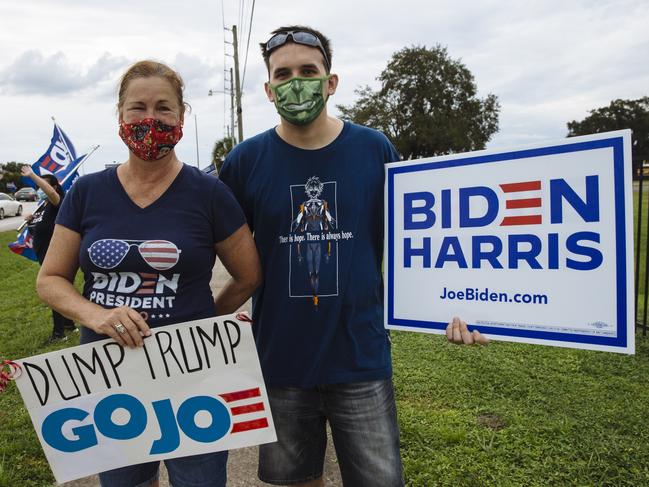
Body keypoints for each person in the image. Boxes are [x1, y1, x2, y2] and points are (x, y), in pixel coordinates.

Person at [219, 26, 488, 487]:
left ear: (331, 81)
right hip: (280, 361)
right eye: (282, 74)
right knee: (293, 481)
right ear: (267, 89)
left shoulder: (374, 149)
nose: (295, 82)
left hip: (360, 358)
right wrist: (221, 311)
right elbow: (224, 248)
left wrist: (459, 305)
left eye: (308, 70)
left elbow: (421, 244)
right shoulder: (245, 162)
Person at [37, 60, 262, 487]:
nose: (150, 119)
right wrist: (95, 315)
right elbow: (49, 280)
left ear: (181, 116)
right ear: (120, 116)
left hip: (192, 375)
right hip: (111, 375)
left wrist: (202, 322)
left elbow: (249, 275)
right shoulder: (87, 193)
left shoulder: (209, 193)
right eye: (137, 108)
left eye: (163, 108)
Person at [20, 166, 75, 342]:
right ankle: (69, 325)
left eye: (42, 185)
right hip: (44, 253)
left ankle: (58, 334)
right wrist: (30, 222)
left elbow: (50, 192)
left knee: (54, 290)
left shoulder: (56, 200)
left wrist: (33, 175)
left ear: (54, 187)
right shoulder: (43, 206)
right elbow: (39, 230)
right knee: (61, 288)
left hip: (55, 254)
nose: (39, 189)